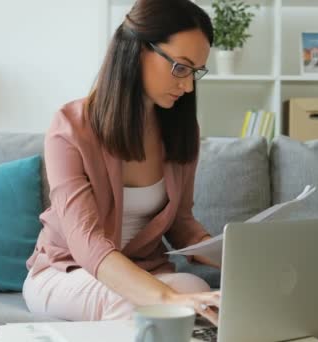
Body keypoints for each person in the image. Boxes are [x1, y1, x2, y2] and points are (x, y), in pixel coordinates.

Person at [23, 0, 220, 326]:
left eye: (195, 72)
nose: (188, 86)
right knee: (139, 304)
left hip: (145, 271)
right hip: (67, 272)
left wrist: (231, 254)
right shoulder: (69, 128)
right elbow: (87, 244)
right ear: (138, 49)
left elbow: (181, 223)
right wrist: (166, 298)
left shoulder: (182, 130)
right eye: (180, 68)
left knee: (195, 290)